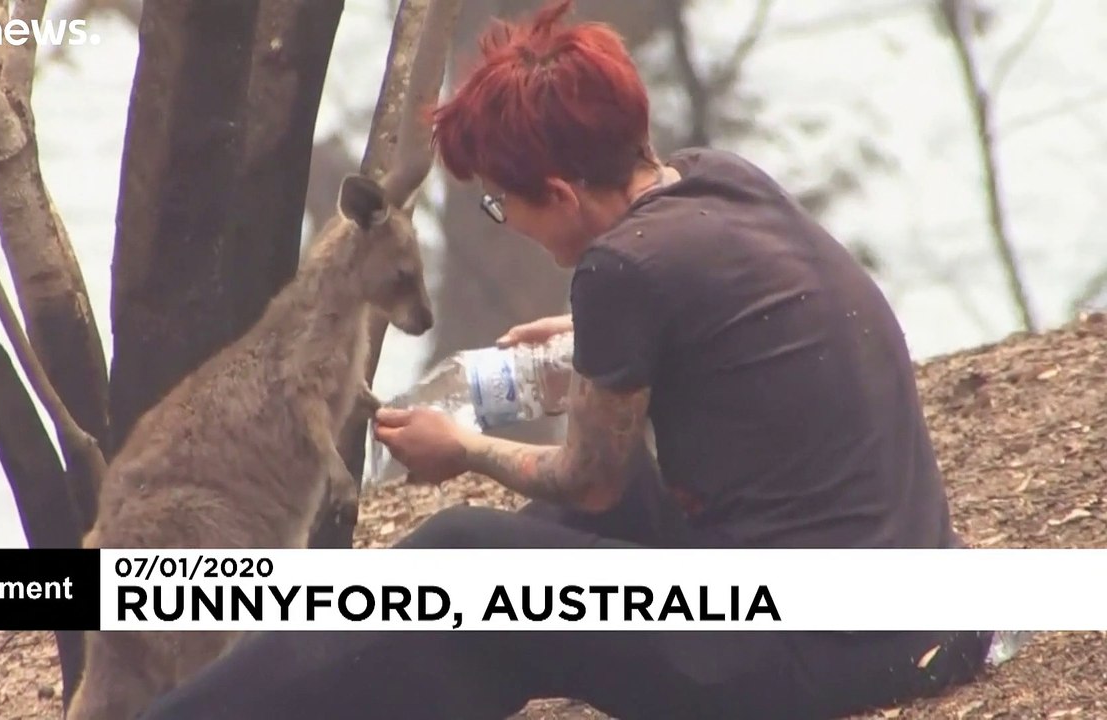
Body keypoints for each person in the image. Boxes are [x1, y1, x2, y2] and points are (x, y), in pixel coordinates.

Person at [138, 1, 992, 718]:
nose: (517, 228)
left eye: (506, 208)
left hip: (821, 650)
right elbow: (721, 332)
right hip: (920, 613)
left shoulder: (624, 267)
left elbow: (594, 478)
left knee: (463, 555)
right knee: (534, 555)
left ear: (559, 193)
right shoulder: (720, 182)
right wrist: (593, 346)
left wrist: (462, 448)